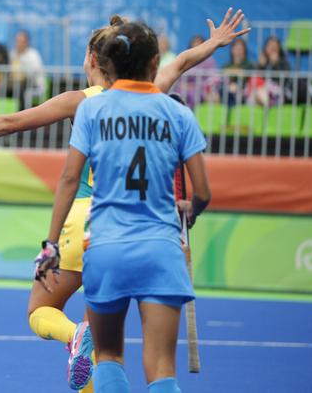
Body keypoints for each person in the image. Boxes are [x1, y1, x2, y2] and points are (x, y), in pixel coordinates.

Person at [0, 8, 247, 392]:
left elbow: (12, 125)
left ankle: (74, 336)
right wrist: (215, 43)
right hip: (154, 232)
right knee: (158, 365)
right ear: (150, 63)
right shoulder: (161, 96)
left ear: (93, 59)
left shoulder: (84, 103)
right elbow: (184, 62)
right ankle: (81, 341)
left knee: (47, 315)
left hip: (91, 228)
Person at [35, 21, 212, 393]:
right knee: (162, 367)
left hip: (106, 247)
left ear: (105, 64)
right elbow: (203, 193)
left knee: (109, 355)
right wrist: (190, 210)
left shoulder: (91, 110)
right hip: (161, 248)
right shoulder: (178, 114)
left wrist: (50, 245)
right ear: (154, 64)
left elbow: (69, 180)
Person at [174, 35, 221, 108]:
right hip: (184, 88)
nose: (197, 46)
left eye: (199, 43)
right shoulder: (185, 58)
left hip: (201, 90)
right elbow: (179, 76)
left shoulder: (209, 60)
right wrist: (185, 86)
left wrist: (200, 86)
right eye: (195, 43)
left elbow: (213, 78)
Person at [9, 29, 45, 109]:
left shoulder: (33, 54)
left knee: (20, 87)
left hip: (33, 83)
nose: (19, 44)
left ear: (27, 42)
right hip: (16, 82)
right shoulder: (12, 53)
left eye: (22, 41)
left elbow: (36, 72)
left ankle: (21, 112)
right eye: (17, 41)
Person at [221, 38, 256, 107]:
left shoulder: (249, 65)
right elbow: (223, 74)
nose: (238, 51)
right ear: (232, 50)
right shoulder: (226, 65)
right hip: (226, 92)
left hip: (244, 93)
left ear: (244, 51)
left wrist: (232, 72)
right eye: (236, 47)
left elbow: (245, 75)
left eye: (241, 48)